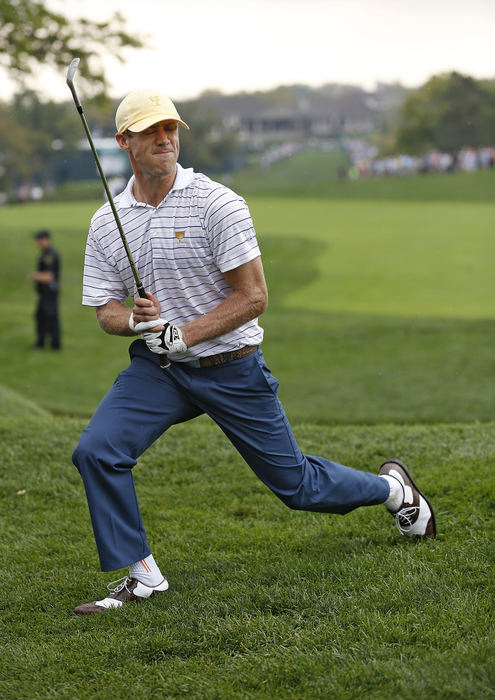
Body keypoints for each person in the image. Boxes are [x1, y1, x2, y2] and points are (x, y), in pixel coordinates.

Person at [72, 90, 436, 615]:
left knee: (297, 487)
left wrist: (185, 334)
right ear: (123, 141)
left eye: (171, 128)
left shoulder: (216, 203)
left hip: (230, 365)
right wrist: (136, 321)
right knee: (97, 451)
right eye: (150, 131)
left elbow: (254, 297)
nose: (165, 138)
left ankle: (392, 490)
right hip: (160, 370)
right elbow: (105, 310)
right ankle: (142, 574)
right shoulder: (107, 222)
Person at [29, 229, 61, 350]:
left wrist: (34, 276)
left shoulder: (50, 255)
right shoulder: (44, 254)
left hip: (49, 292)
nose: (37, 243)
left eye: (38, 240)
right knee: (40, 316)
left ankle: (55, 345)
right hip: (44, 293)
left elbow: (49, 276)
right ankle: (40, 343)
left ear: (45, 239)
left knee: (51, 317)